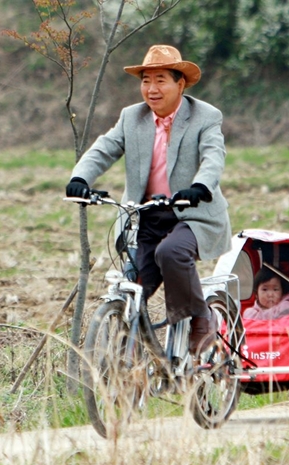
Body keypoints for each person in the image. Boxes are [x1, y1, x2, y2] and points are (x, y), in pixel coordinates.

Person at [65, 45, 232, 355]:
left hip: (191, 214)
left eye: (160, 80)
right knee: (136, 285)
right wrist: (80, 178)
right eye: (146, 80)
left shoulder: (205, 116)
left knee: (172, 253)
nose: (151, 89)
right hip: (145, 216)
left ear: (180, 83)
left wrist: (200, 186)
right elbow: (105, 149)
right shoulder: (132, 117)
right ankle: (133, 359)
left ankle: (201, 318)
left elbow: (213, 156)